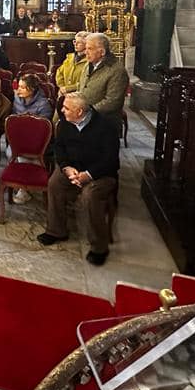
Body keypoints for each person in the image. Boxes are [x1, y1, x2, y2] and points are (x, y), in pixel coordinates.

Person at [37, 93, 120, 266]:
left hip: (101, 174)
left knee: (90, 196)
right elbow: (59, 148)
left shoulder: (106, 127)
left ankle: (99, 247)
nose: (62, 110)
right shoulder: (66, 123)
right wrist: (67, 168)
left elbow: (110, 160)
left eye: (66, 108)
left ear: (79, 111)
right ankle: (56, 230)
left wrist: (87, 175)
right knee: (55, 183)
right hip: (73, 168)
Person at [7, 73, 54, 205]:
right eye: (18, 86)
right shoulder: (16, 98)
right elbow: (12, 119)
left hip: (38, 142)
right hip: (19, 139)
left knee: (22, 156)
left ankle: (23, 188)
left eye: (22, 87)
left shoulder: (43, 105)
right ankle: (25, 183)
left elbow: (44, 129)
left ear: (32, 90)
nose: (18, 90)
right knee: (12, 152)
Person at [76, 32, 129, 130]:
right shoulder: (88, 64)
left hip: (103, 123)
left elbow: (112, 102)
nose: (85, 52)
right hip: (84, 118)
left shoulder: (117, 71)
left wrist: (87, 112)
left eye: (90, 49)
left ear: (102, 52)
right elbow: (82, 87)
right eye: (86, 48)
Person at [56, 31, 90, 98]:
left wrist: (69, 89)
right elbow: (59, 73)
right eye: (75, 41)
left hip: (80, 96)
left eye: (79, 42)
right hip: (64, 95)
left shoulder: (90, 60)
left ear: (86, 44)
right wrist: (62, 88)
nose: (75, 44)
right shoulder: (70, 58)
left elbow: (88, 82)